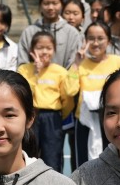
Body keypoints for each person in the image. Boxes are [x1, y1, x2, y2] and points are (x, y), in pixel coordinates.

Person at [18, 31, 79, 174]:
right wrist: (35, 74)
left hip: (52, 118)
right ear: (32, 50)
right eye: (40, 47)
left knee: (53, 157)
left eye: (49, 48)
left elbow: (67, 100)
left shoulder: (60, 72)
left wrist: (59, 116)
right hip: (30, 117)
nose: (44, 52)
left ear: (54, 50)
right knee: (28, 154)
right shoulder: (24, 69)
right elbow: (23, 95)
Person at [71, 22, 120, 169]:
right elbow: (70, 91)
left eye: (100, 38)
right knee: (84, 164)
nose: (96, 43)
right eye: (91, 38)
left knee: (114, 162)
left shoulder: (119, 62)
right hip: (85, 122)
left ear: (108, 40)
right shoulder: (80, 64)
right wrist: (76, 64)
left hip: (113, 120)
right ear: (85, 41)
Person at [20, 0, 81, 68]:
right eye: (46, 3)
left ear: (62, 5)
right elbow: (22, 64)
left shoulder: (72, 33)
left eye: (55, 3)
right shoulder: (29, 32)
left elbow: (73, 64)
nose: (50, 7)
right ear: (40, 6)